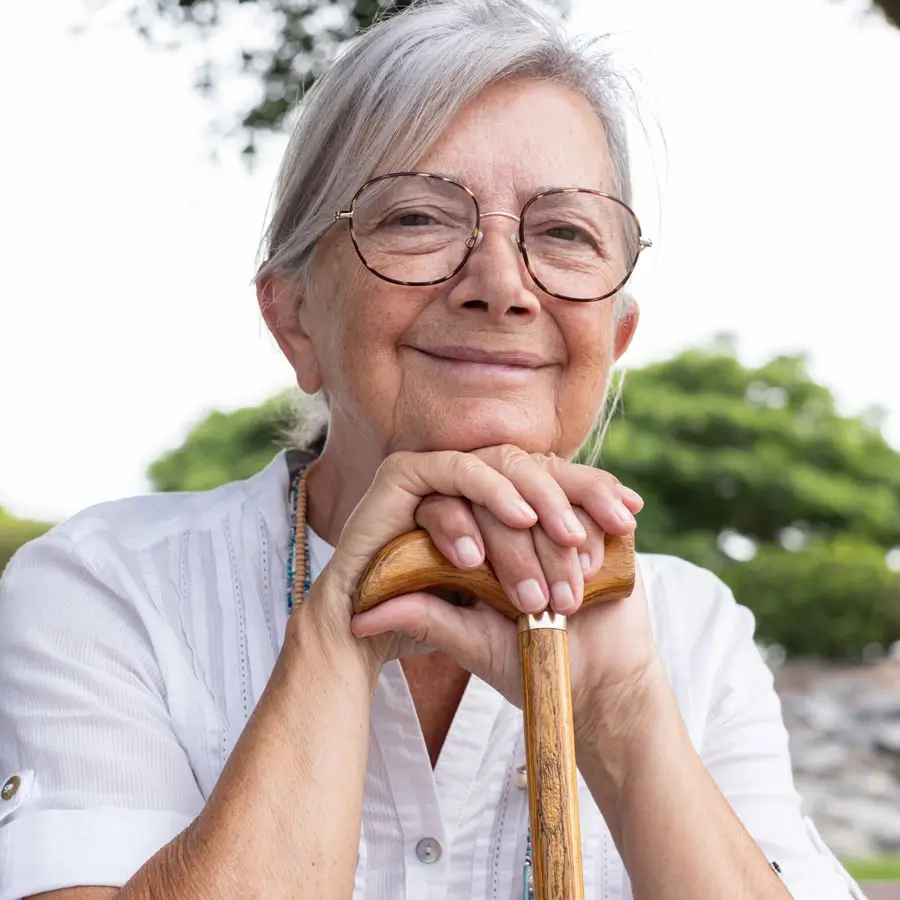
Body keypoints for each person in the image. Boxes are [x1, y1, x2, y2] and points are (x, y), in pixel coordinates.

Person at [0, 1, 869, 898]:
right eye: (417, 218)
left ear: (615, 339)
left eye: (565, 233)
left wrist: (619, 714)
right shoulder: (110, 590)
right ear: (292, 317)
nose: (501, 286)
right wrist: (336, 641)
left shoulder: (692, 632)